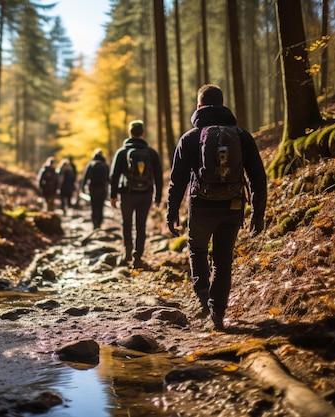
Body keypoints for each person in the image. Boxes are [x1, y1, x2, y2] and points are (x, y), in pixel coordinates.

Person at [166, 84, 267, 331]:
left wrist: (172, 213)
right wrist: (258, 211)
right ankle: (218, 314)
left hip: (200, 205)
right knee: (223, 261)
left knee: (197, 249)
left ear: (199, 105)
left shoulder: (190, 138)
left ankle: (202, 296)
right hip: (232, 206)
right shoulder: (242, 136)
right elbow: (257, 177)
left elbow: (177, 179)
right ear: (222, 104)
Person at [110, 120, 163, 268]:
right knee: (141, 225)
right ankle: (137, 257)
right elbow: (158, 176)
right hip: (146, 194)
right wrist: (157, 197)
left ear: (130, 133)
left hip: (127, 194)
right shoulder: (151, 153)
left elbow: (114, 176)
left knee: (126, 223)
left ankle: (127, 252)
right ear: (143, 133)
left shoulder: (122, 152)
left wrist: (113, 195)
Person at [81, 149, 110, 229]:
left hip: (93, 188)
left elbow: (85, 178)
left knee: (94, 206)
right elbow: (108, 178)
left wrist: (83, 188)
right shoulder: (105, 165)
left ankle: (94, 223)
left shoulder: (91, 164)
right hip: (102, 188)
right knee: (100, 206)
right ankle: (99, 224)